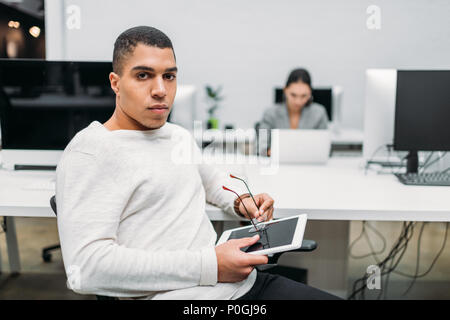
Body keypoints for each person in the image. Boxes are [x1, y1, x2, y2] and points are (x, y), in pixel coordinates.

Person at [56, 26, 339, 300]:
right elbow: (86, 269)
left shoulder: (176, 136)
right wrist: (211, 265)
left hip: (242, 284)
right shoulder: (91, 151)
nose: (160, 90)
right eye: (143, 75)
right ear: (115, 83)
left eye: (169, 76)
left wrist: (241, 200)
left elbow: (213, 181)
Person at [258, 68, 329, 156]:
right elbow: (262, 147)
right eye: (293, 95)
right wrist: (273, 152)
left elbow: (323, 147)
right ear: (285, 90)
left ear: (310, 93)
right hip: (279, 165)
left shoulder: (319, 113)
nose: (298, 101)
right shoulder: (270, 113)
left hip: (309, 165)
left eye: (304, 96)